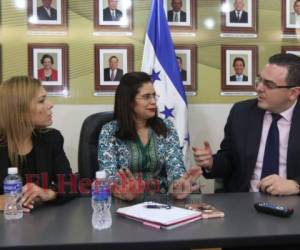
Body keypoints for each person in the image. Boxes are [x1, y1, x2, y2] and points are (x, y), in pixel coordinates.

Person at [193, 53, 300, 196]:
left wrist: (296, 185)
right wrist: (211, 162)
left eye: (269, 84)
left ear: (293, 93)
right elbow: (229, 159)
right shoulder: (241, 113)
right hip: (244, 201)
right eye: (260, 80)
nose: (259, 88)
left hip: (293, 203)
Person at [98, 72, 202, 201]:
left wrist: (179, 185)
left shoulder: (166, 127)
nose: (153, 102)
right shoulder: (109, 131)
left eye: (154, 96)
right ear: (129, 101)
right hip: (123, 204)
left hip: (161, 203)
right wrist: (122, 190)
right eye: (146, 97)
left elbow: (175, 165)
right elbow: (108, 175)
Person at [0, 76, 76, 211]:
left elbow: (70, 183)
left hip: (44, 226)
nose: (50, 104)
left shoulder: (52, 138)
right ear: (19, 110)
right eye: (42, 101)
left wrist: (48, 193)